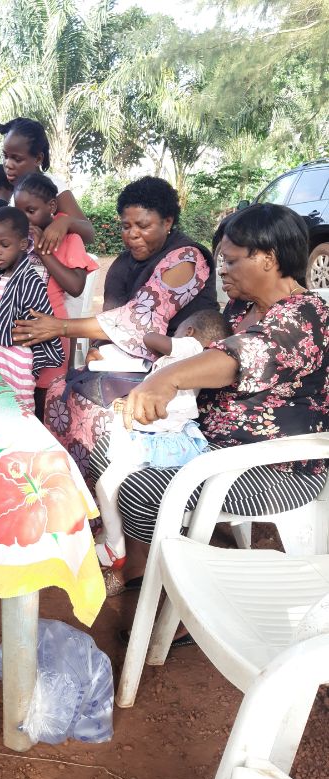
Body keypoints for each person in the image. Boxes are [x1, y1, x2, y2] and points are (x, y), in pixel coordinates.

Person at [90, 204, 329, 643]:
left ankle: (183, 602)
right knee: (108, 443)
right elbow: (199, 349)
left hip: (273, 467)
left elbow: (235, 360)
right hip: (207, 446)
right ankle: (150, 564)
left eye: (232, 259)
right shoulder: (241, 308)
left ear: (269, 258)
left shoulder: (306, 315)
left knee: (142, 488)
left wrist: (166, 378)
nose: (222, 269)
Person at [13, 177, 218, 481]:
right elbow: (112, 315)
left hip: (176, 372)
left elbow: (138, 319)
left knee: (96, 413)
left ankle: (112, 500)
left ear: (168, 221)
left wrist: (61, 327)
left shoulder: (187, 258)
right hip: (133, 364)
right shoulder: (125, 263)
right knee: (60, 389)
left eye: (144, 226)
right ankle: (74, 493)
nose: (133, 235)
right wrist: (100, 352)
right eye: (126, 226)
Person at [94, 310, 231, 592]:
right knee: (109, 473)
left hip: (158, 441)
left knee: (106, 485)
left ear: (189, 332)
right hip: (165, 439)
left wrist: (157, 337)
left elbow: (152, 339)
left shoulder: (193, 348)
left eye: (178, 331)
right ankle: (117, 542)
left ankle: (114, 546)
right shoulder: (194, 358)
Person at [15, 172, 99, 418]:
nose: (24, 218)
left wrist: (43, 252)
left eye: (30, 211)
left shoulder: (70, 239)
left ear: (51, 206)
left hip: (52, 333)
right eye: (19, 211)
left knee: (44, 400)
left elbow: (75, 286)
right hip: (20, 332)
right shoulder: (20, 238)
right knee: (19, 397)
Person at [0, 207, 64, 413]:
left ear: (23, 244)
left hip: (15, 366)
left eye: (4, 245)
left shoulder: (30, 281)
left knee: (16, 414)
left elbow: (37, 331)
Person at [0, 117, 95, 252]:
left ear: (38, 158)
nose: (8, 164)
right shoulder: (18, 189)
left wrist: (65, 222)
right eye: (5, 156)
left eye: (16, 159)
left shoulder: (53, 186)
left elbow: (90, 234)